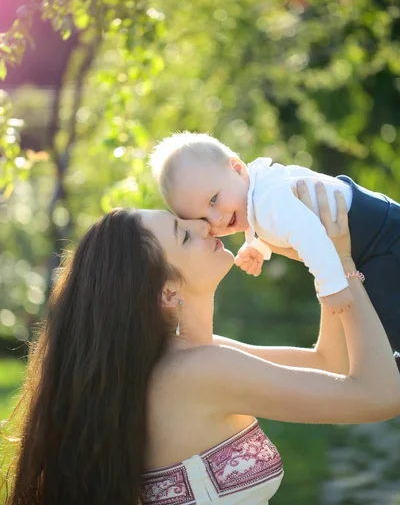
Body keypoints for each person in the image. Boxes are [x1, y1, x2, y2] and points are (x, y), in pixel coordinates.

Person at [3, 183, 400, 505]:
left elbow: (330, 363)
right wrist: (343, 265)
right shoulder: (199, 372)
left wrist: (319, 256)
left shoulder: (186, 360)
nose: (205, 227)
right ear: (167, 292)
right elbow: (381, 394)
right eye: (183, 234)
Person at [150, 131, 400, 364]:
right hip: (377, 227)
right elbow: (287, 228)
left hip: (380, 239)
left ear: (237, 169)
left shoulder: (268, 200)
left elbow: (309, 235)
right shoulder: (261, 191)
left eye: (214, 200)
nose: (215, 219)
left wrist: (331, 286)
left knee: (386, 318)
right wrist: (259, 246)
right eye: (203, 219)